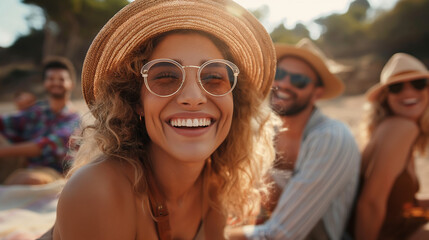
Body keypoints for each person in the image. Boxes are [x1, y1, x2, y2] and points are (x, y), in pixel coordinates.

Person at [39, 0, 279, 239]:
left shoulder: (215, 184)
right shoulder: (98, 189)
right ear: (135, 102)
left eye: (214, 78)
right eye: (166, 77)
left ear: (234, 101)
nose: (194, 98)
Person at [227, 39, 361, 240]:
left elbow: (281, 234)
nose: (284, 83)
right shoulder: (265, 131)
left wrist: (217, 235)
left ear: (317, 93)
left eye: (299, 81)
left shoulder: (330, 138)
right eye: (279, 74)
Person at [354, 53, 429, 240]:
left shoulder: (393, 127)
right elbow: (369, 204)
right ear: (385, 97)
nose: (408, 92)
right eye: (396, 87)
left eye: (418, 84)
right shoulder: (402, 128)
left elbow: (397, 204)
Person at [0, 57, 80, 185]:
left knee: (27, 179)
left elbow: (46, 146)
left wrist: (2, 151)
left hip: (54, 171)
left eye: (61, 79)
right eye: (51, 79)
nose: (56, 82)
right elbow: (6, 122)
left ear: (71, 84)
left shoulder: (74, 120)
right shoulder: (36, 110)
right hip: (23, 165)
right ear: (44, 83)